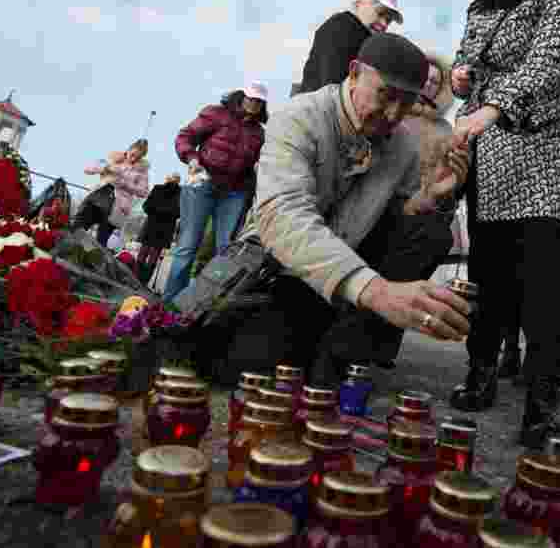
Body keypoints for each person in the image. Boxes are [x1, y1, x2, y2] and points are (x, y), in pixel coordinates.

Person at [198, 33, 471, 386]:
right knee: (249, 367)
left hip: (350, 270)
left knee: (429, 232)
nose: (392, 114)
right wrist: (378, 292)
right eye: (385, 96)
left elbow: (394, 224)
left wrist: (427, 199)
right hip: (282, 266)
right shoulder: (299, 118)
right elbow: (284, 217)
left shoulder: (403, 144)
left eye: (406, 104)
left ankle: (343, 350)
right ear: (354, 73)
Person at [448, 0, 560, 449]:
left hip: (542, 141)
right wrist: (460, 73)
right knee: (489, 268)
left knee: (541, 276)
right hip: (490, 145)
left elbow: (552, 57)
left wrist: (496, 105)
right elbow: (467, 51)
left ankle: (543, 402)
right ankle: (480, 376)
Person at [368, 53, 458, 370]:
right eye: (426, 78)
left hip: (427, 209)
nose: (430, 85)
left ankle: (385, 346)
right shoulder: (395, 115)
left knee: (410, 274)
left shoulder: (447, 129)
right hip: (385, 204)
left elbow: (451, 178)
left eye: (437, 81)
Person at [163, 83, 268, 302]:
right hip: (203, 184)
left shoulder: (259, 134)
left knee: (226, 250)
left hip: (234, 193)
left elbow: (259, 166)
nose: (254, 103)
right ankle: (169, 304)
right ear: (241, 97)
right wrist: (192, 158)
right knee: (188, 246)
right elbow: (186, 136)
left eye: (259, 101)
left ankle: (204, 304)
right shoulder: (217, 114)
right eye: (250, 98)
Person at [298, 0, 403, 95]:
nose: (384, 24)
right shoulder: (343, 28)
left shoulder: (354, 32)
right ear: (358, 4)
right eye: (380, 13)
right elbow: (333, 87)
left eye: (389, 20)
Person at [80, 139, 151, 247]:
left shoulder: (142, 171)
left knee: (101, 240)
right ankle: (70, 251)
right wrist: (104, 169)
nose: (134, 158)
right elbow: (87, 170)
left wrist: (124, 183)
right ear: (128, 150)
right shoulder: (114, 159)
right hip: (99, 198)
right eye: (133, 154)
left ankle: (90, 259)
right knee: (79, 227)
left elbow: (144, 192)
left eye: (138, 157)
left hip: (118, 206)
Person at [136, 173, 182, 284]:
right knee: (154, 254)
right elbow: (179, 213)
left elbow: (146, 206)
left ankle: (134, 277)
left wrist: (155, 211)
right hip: (166, 227)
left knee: (144, 250)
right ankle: (144, 281)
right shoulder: (181, 193)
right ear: (178, 181)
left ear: (167, 179)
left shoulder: (157, 188)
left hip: (152, 223)